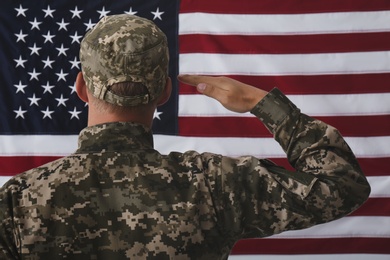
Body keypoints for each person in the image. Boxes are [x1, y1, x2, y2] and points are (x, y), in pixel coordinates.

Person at [0, 14, 370, 260]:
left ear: (81, 87)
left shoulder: (19, 201)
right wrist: (262, 103)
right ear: (164, 91)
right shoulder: (213, 183)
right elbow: (342, 186)